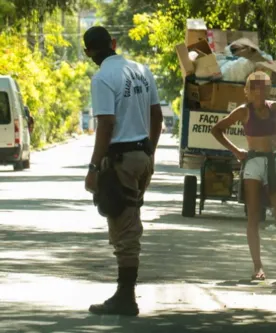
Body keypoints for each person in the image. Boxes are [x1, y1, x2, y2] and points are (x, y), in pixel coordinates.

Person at [83, 26, 163, 316]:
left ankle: (126, 297)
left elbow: (105, 125)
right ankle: (124, 292)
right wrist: (150, 153)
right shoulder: (142, 70)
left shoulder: (103, 77)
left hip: (121, 161)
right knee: (127, 219)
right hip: (141, 155)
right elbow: (157, 116)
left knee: (124, 227)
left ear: (88, 52)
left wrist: (93, 167)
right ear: (113, 43)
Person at [211, 71, 276, 281]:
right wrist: (237, 152)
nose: (259, 92)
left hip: (273, 162)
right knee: (254, 218)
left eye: (263, 88)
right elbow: (217, 130)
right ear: (247, 92)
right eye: (254, 88)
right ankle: (258, 267)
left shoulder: (275, 108)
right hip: (253, 165)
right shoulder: (243, 111)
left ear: (268, 90)